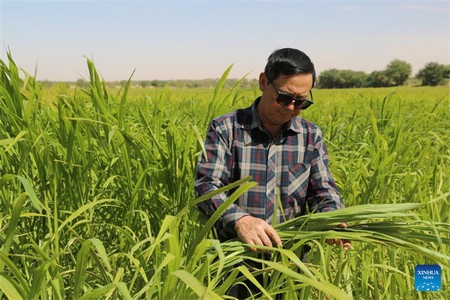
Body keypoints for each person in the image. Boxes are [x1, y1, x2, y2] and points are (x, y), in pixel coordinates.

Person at [194, 48, 349, 296]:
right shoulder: (227, 129)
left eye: (301, 102)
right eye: (285, 97)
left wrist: (332, 215)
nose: (291, 108)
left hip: (291, 265)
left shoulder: (310, 136)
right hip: (234, 265)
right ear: (264, 82)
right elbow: (206, 186)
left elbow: (323, 190)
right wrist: (240, 220)